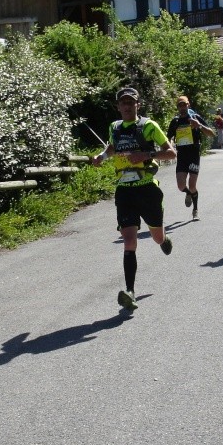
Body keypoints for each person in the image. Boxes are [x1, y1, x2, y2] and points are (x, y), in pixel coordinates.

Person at [92, 87, 177, 311]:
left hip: (147, 189)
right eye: (123, 103)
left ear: (138, 104)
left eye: (131, 102)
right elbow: (112, 147)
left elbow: (171, 153)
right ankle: (130, 292)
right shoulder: (115, 127)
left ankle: (163, 239)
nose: (127, 106)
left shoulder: (149, 126)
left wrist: (146, 155)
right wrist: (101, 156)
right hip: (124, 191)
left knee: (157, 237)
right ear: (118, 106)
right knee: (129, 241)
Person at [166, 95, 215, 221]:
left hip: (193, 156)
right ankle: (188, 193)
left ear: (188, 105)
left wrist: (199, 126)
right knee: (181, 186)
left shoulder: (195, 118)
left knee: (192, 185)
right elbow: (168, 138)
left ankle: (195, 210)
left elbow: (211, 133)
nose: (182, 107)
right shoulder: (175, 121)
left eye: (184, 104)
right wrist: (169, 145)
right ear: (177, 107)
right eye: (180, 105)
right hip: (182, 156)